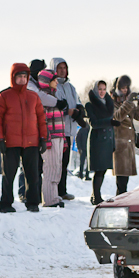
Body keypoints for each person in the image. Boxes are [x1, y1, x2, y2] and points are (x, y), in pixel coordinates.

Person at [0, 63, 47, 213]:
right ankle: (5, 203)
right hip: (11, 142)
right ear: (13, 77)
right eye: (19, 77)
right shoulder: (4, 96)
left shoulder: (33, 96)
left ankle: (32, 202)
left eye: (25, 77)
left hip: (31, 141)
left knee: (32, 175)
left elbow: (41, 119)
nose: (22, 80)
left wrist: (43, 138)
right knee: (8, 174)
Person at [49, 57, 83, 201]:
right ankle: (52, 190)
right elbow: (52, 107)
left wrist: (79, 109)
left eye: (64, 68)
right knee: (55, 163)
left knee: (64, 162)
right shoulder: (52, 86)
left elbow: (77, 101)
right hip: (56, 130)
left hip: (68, 131)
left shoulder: (71, 87)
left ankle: (62, 190)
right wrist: (66, 112)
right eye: (59, 68)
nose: (62, 71)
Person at [111, 75, 139, 195]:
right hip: (119, 140)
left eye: (127, 87)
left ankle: (121, 195)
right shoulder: (112, 102)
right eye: (122, 87)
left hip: (129, 141)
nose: (125, 90)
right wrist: (128, 102)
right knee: (121, 174)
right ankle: (120, 196)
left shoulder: (128, 102)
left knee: (125, 174)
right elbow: (117, 117)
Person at [37, 69, 65, 208]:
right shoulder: (44, 101)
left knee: (57, 167)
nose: (57, 82)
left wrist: (63, 139)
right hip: (50, 138)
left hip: (58, 137)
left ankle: (54, 195)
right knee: (50, 167)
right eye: (54, 80)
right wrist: (45, 139)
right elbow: (43, 122)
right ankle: (49, 199)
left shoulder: (54, 98)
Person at [85, 81, 116, 205]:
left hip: (108, 139)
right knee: (99, 169)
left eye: (104, 89)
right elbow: (94, 123)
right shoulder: (90, 105)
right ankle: (96, 195)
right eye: (99, 89)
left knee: (103, 169)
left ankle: (96, 195)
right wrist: (109, 122)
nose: (102, 92)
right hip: (97, 140)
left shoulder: (109, 104)